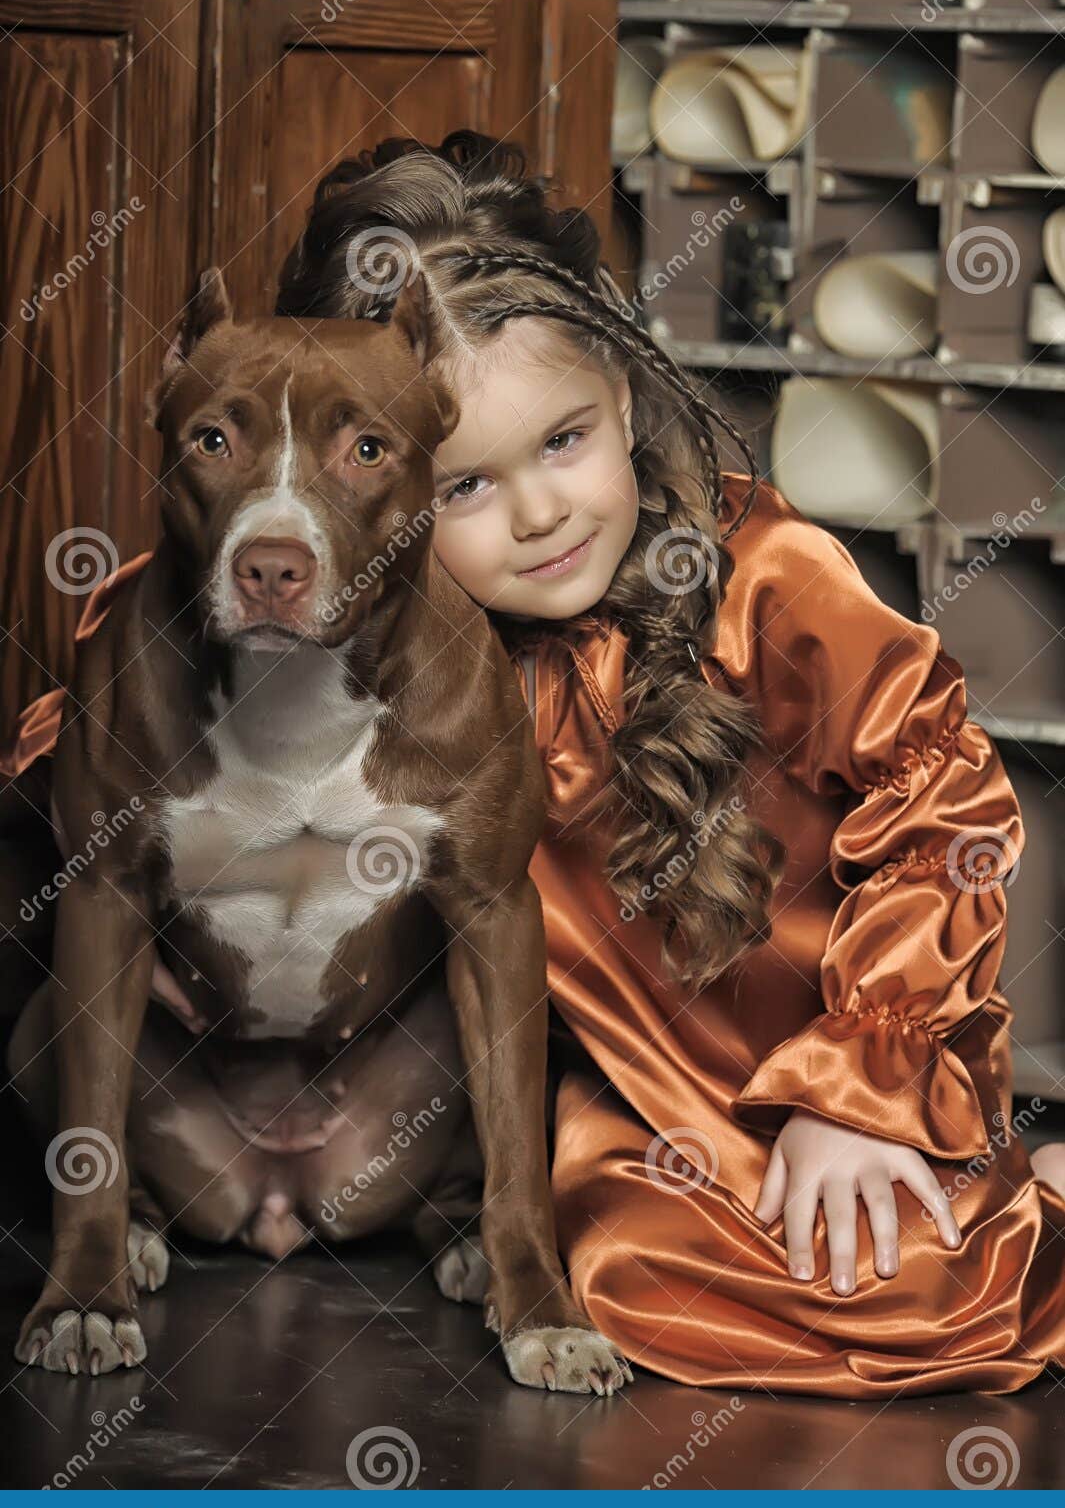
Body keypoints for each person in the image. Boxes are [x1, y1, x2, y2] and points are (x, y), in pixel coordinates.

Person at [5, 131, 1064, 1397]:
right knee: (630, 1277)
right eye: (466, 488)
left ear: (622, 396)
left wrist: (862, 1081)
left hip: (846, 1068)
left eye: (564, 441)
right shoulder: (407, 633)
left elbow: (947, 800)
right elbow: (145, 676)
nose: (541, 513)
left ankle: (1028, 1173)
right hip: (639, 1097)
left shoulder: (768, 579)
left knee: (910, 1295)